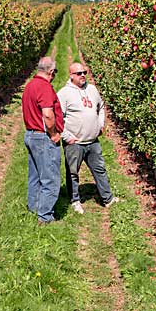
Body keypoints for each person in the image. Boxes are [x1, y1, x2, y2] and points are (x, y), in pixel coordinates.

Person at [57, 62, 118, 214]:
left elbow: (101, 107)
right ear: (71, 75)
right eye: (79, 73)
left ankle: (107, 198)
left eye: (84, 72)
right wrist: (66, 136)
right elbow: (57, 118)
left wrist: (100, 124)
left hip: (93, 141)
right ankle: (75, 200)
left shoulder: (92, 89)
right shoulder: (64, 93)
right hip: (75, 143)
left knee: (100, 169)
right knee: (73, 172)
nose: (83, 75)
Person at [22, 56, 64, 225]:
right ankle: (45, 216)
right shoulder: (44, 87)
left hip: (30, 134)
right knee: (50, 178)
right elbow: (47, 113)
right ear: (51, 71)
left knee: (35, 176)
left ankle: (34, 207)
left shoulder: (30, 85)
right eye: (55, 73)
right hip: (42, 137)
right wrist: (53, 134)